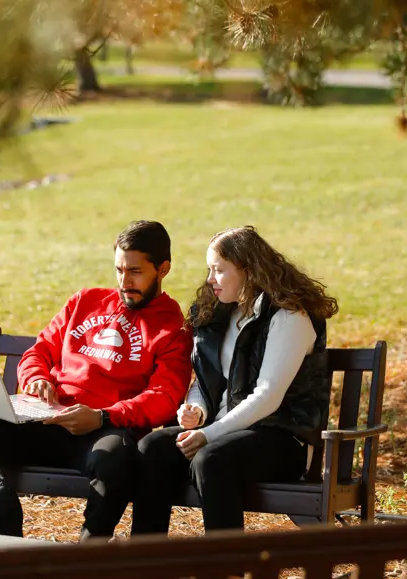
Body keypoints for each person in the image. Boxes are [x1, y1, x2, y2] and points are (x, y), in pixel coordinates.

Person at [0, 220, 193, 539]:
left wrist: (102, 416)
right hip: (46, 420)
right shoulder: (85, 301)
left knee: (116, 463)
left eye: (135, 271)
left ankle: (85, 556)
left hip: (102, 430)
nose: (124, 281)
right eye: (119, 270)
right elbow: (39, 351)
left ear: (163, 268)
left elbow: (164, 396)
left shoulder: (172, 328)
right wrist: (35, 379)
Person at [130, 225, 339, 534]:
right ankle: (146, 561)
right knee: (153, 446)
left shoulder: (289, 316)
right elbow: (205, 381)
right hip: (225, 432)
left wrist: (208, 434)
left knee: (211, 458)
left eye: (219, 270)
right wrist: (196, 409)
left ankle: (225, 565)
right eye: (209, 270)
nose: (210, 279)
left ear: (248, 270)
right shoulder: (218, 315)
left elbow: (268, 395)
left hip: (282, 438)